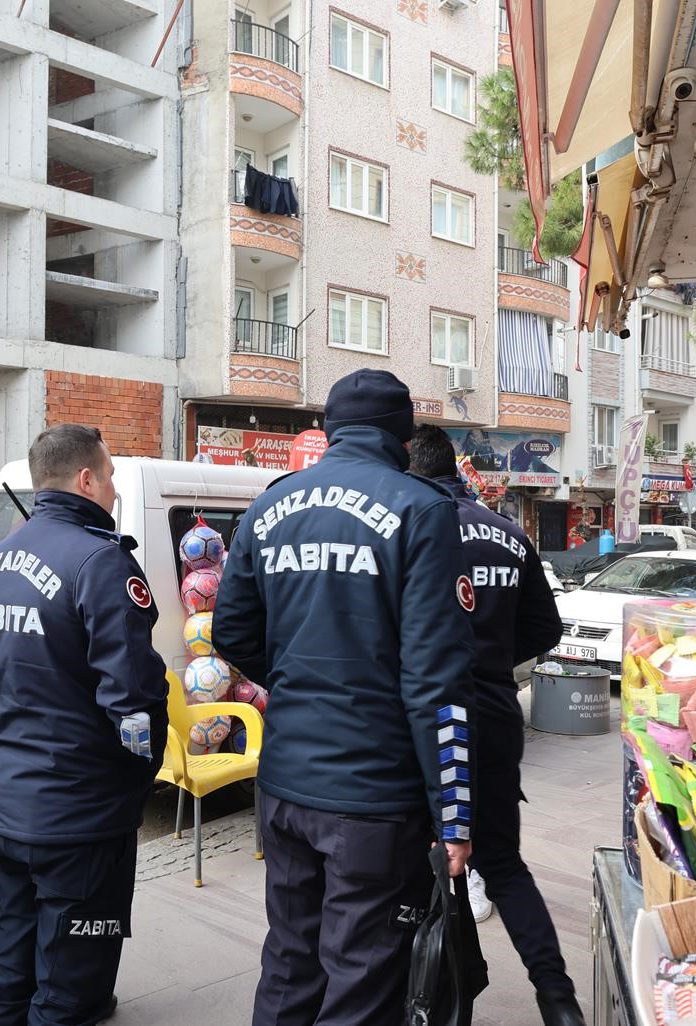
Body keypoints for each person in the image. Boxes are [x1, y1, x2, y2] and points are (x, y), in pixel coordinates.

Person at [214, 369, 476, 1026]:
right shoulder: (422, 509)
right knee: (361, 978)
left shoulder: (270, 505)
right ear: (402, 435)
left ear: (328, 430)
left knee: (290, 960)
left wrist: (303, 680)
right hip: (371, 798)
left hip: (284, 787)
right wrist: (454, 814)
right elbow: (435, 685)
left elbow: (230, 632)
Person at [0, 424, 167, 1026]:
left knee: (13, 951)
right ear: (85, 479)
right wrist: (136, 775)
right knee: (70, 980)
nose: (113, 492)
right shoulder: (102, 562)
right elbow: (133, 701)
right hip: (80, 818)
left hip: (8, 805)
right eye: (109, 478)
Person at [408, 425, 584, 1026]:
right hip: (497, 713)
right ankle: (557, 998)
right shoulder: (508, 533)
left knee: (418, 862)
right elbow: (546, 630)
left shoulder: (410, 528)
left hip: (430, 723)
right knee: (502, 862)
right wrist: (493, 656)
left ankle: (433, 1000)